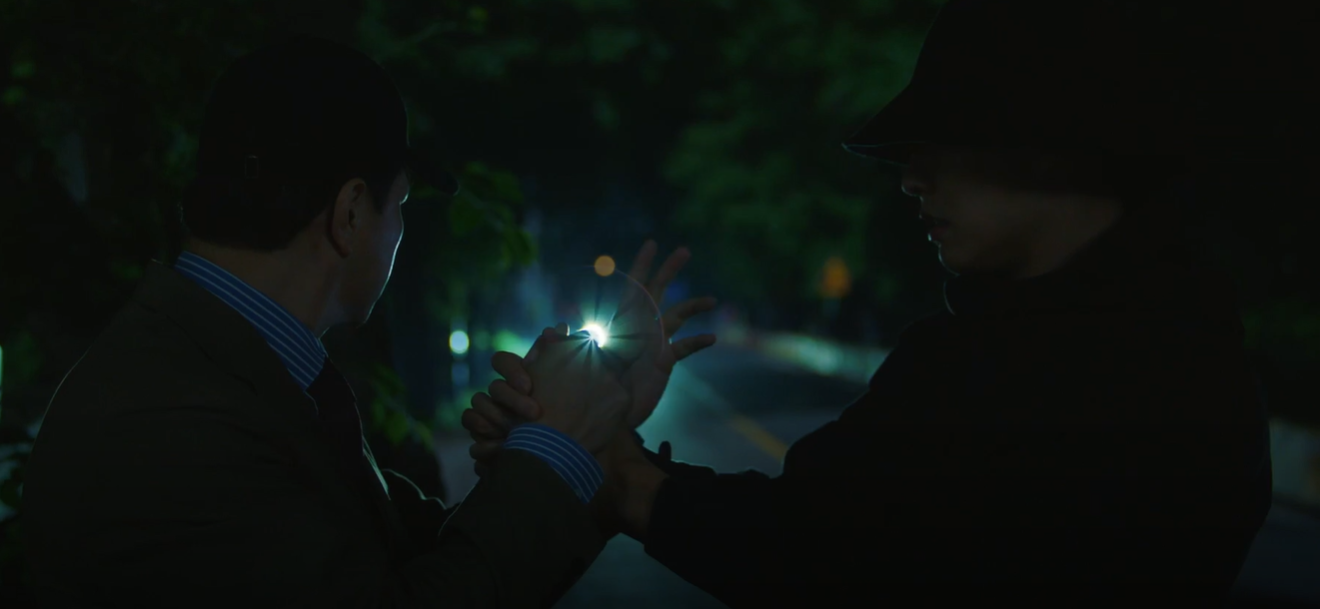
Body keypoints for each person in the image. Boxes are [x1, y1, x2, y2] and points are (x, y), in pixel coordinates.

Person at [463, 0, 1275, 603]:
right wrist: (606, 458)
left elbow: (815, 549)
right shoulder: (1197, 345)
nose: (909, 178)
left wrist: (601, 460)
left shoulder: (996, 370)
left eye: (941, 143)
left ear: (1049, 145)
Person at [22, 36, 666, 608]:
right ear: (351, 213)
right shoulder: (174, 416)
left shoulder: (228, 367)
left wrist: (576, 444)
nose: (399, 231)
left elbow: (412, 567)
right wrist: (553, 450)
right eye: (401, 204)